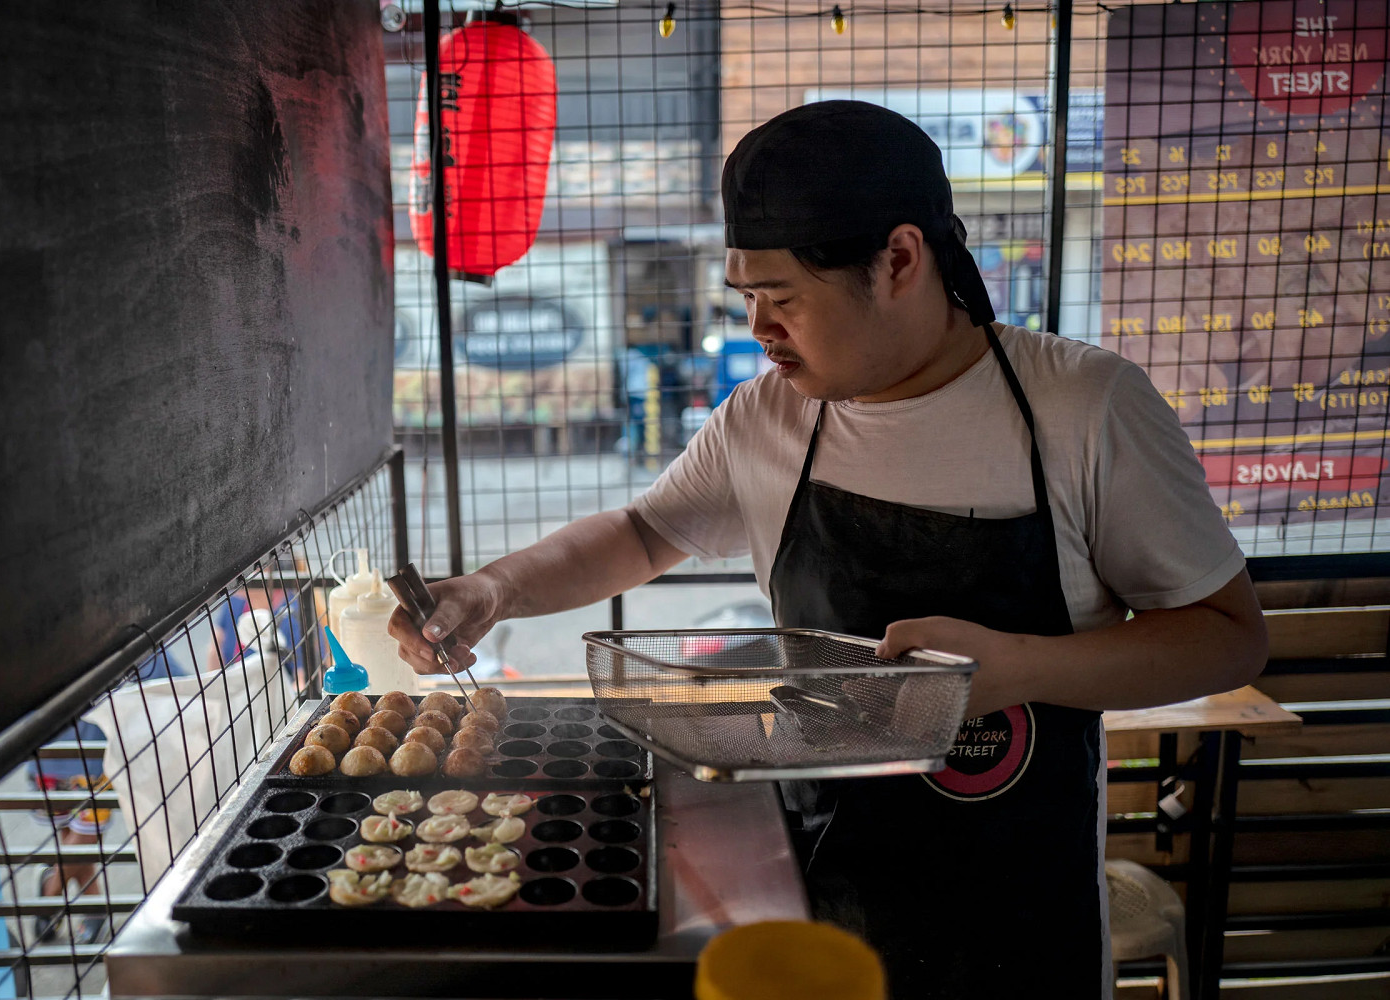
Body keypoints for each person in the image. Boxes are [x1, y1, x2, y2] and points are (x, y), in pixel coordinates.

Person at [388, 101, 1267, 998]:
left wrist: (1020, 669)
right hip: (813, 887)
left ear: (899, 260)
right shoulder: (766, 417)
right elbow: (643, 533)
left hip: (1017, 921)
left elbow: (1229, 636)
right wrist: (493, 589)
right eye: (746, 297)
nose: (759, 328)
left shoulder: (1082, 409)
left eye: (784, 298)